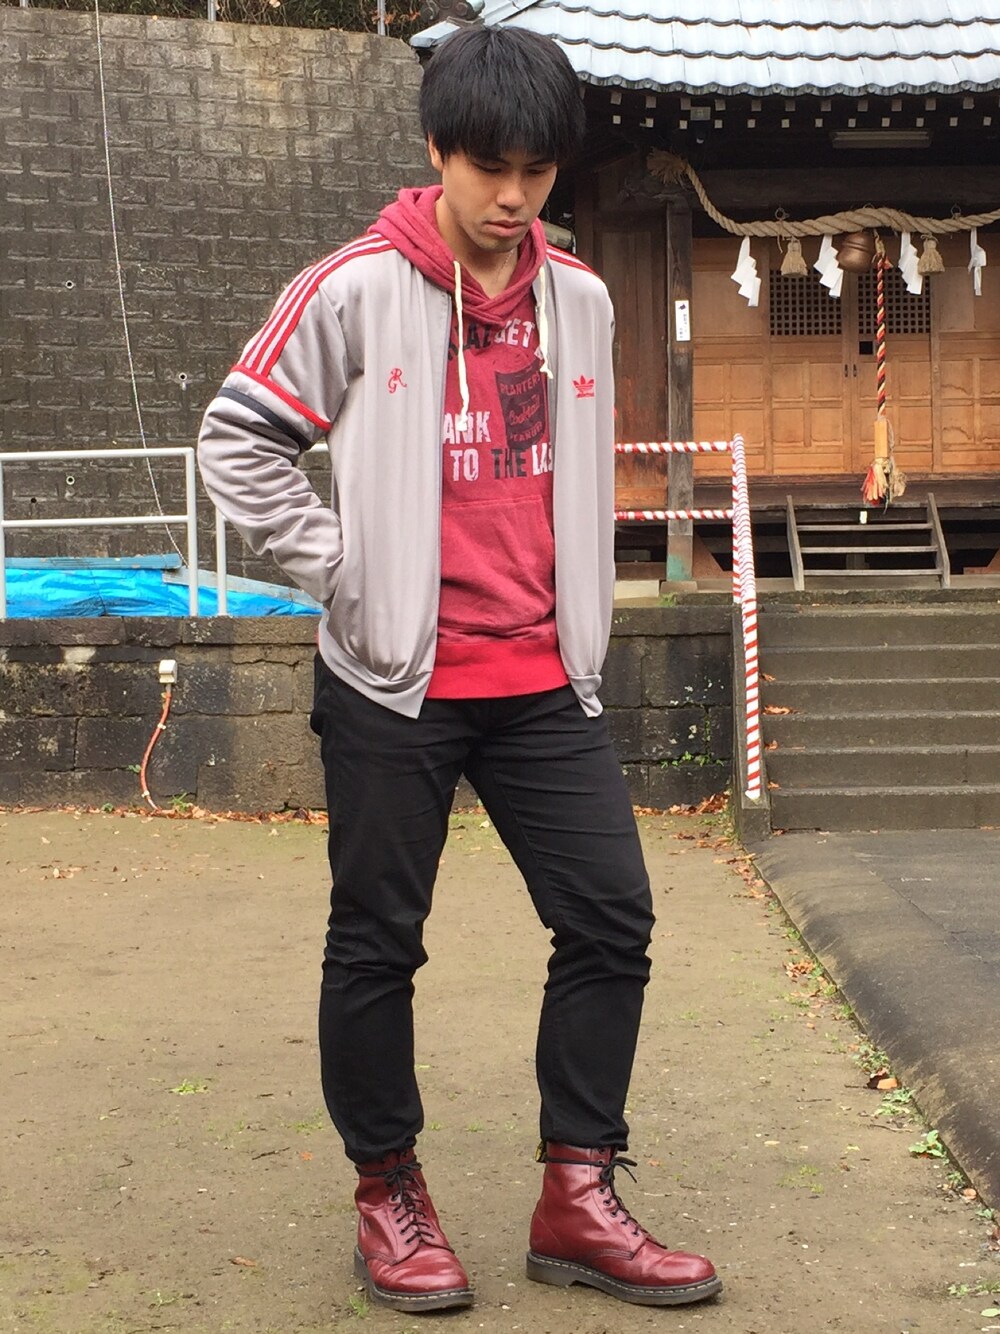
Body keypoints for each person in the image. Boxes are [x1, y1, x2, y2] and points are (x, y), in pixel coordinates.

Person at [197, 24, 721, 1314]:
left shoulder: (581, 300)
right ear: (438, 150)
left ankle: (577, 1195)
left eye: (538, 173)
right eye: (492, 168)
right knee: (377, 942)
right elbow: (237, 438)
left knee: (611, 918)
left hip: (543, 678)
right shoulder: (354, 288)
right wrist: (345, 568)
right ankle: (388, 1193)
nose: (514, 197)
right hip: (394, 680)